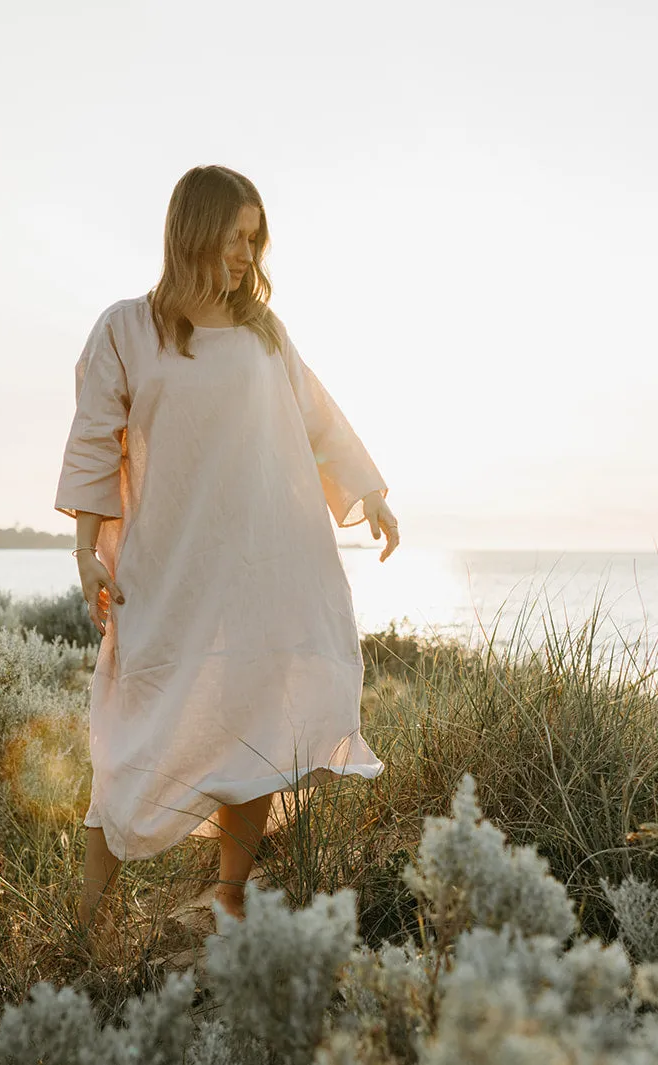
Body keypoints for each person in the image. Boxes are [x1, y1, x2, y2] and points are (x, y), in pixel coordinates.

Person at [53, 165, 400, 941]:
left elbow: (318, 418)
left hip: (259, 569)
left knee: (254, 725)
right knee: (128, 735)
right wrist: (86, 551)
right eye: (235, 236)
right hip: (167, 567)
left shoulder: (263, 335)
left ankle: (231, 896)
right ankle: (87, 923)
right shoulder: (127, 330)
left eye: (255, 238)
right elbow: (91, 443)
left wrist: (368, 490)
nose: (246, 253)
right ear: (194, 232)